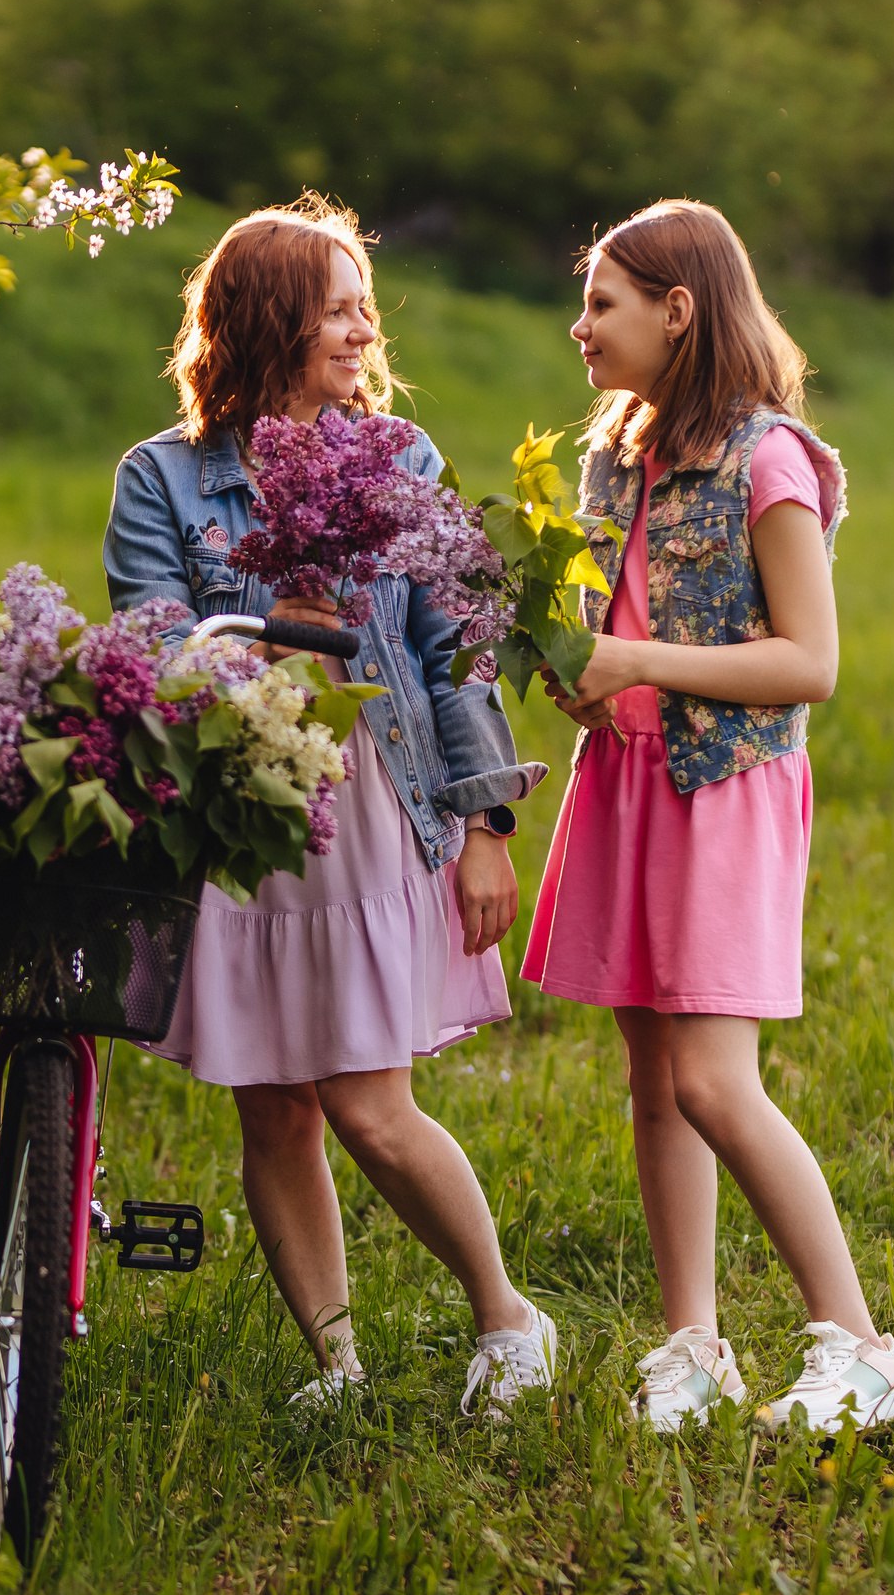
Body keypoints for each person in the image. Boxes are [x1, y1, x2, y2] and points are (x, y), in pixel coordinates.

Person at [104, 195, 555, 1417]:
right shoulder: (163, 477)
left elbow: (454, 648)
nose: (365, 331)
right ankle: (338, 1366)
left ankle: (509, 1322)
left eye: (365, 308)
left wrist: (484, 826)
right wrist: (270, 620)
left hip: (369, 807)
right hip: (241, 820)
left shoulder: (398, 457)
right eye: (339, 310)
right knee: (276, 1111)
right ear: (267, 324)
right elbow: (150, 648)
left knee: (367, 1104)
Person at [523, 198, 894, 1434]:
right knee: (653, 1081)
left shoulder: (768, 459)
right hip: (629, 784)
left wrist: (634, 661)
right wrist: (567, 663)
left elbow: (809, 664)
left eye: (603, 302)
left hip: (724, 791)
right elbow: (604, 629)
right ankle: (692, 1344)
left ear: (676, 310)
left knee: (712, 1082)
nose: (579, 326)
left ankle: (858, 1345)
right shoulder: (611, 455)